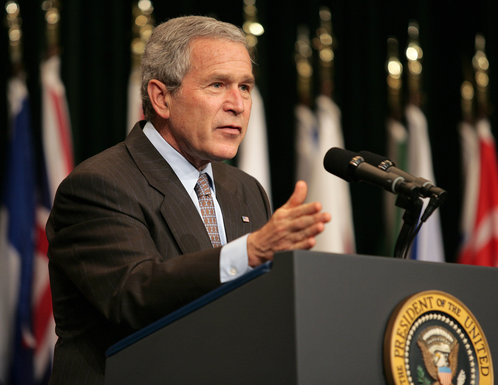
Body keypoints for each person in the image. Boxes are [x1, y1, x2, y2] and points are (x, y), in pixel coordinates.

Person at [46, 15, 331, 384]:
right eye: (217, 85)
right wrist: (249, 252)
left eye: (245, 87)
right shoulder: (98, 185)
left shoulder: (244, 189)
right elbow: (134, 294)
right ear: (161, 97)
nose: (238, 104)